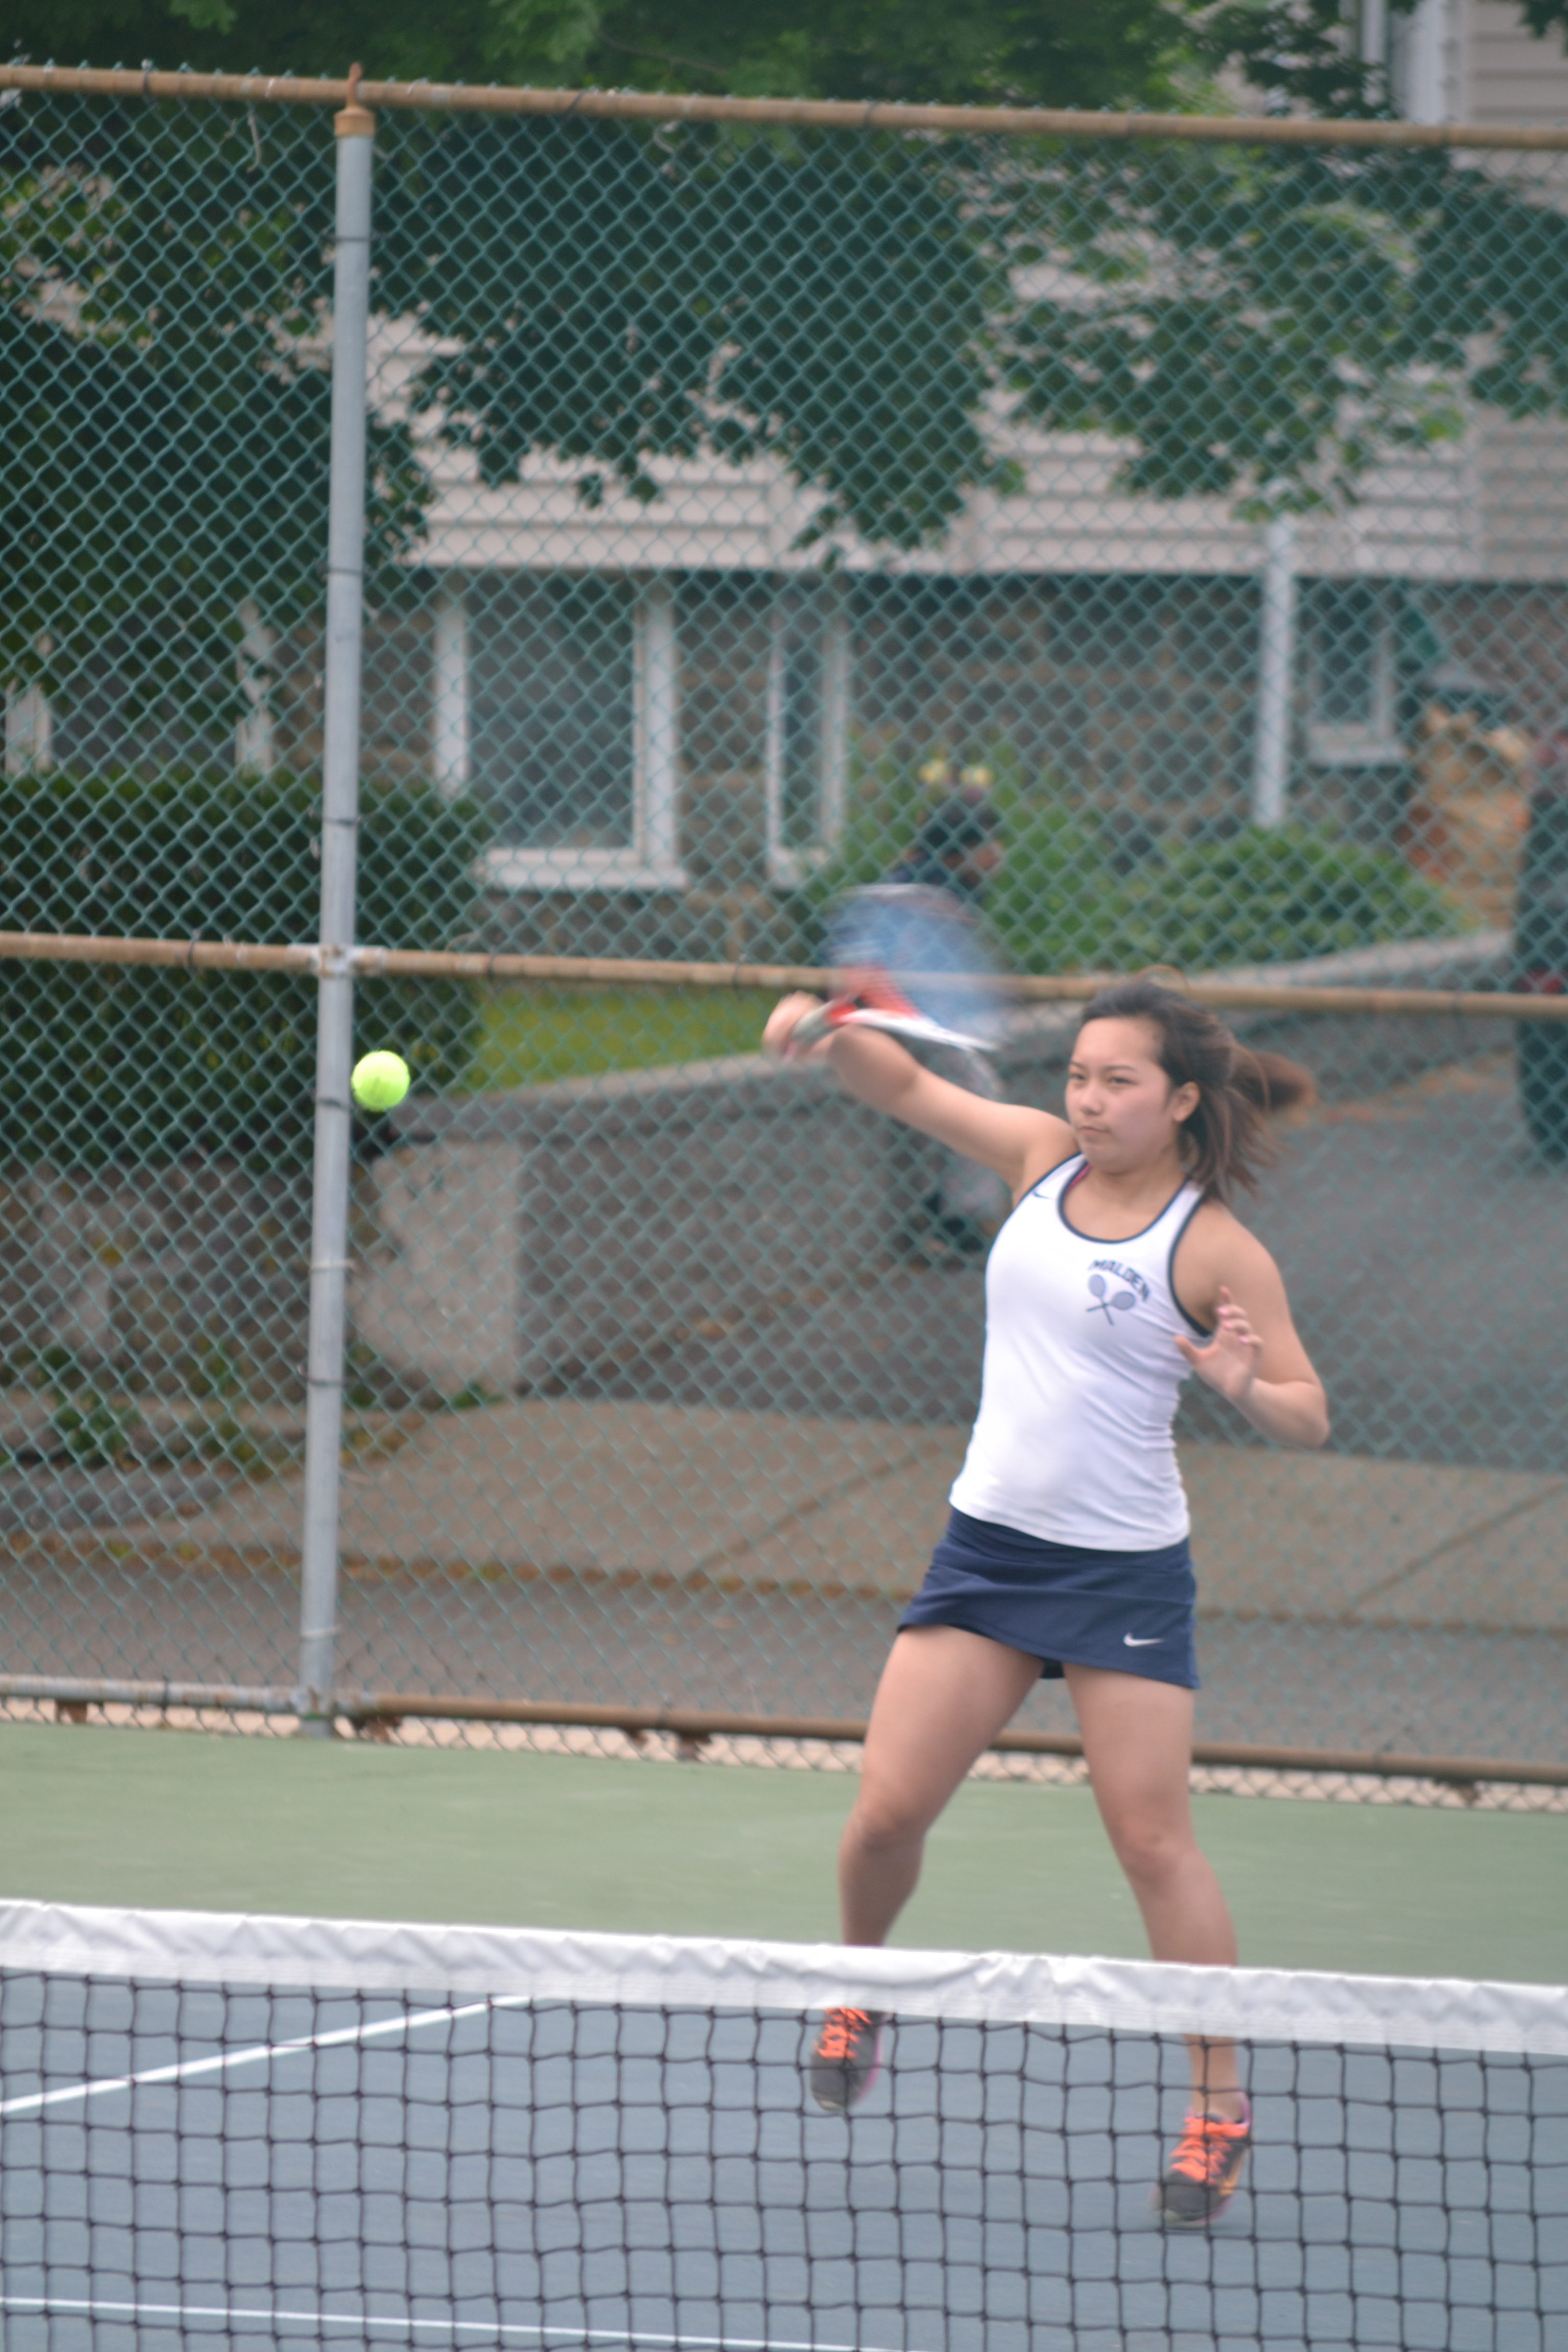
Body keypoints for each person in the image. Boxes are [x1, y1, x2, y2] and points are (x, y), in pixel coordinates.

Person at [763, 974, 1327, 2229]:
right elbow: (899, 1085)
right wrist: (832, 1033)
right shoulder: (1030, 1155)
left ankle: (1216, 2106)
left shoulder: (1211, 1242)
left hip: (1121, 1574)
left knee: (1149, 1843)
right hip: (985, 1558)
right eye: (1076, 1074)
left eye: (1114, 1080)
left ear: (1179, 1099)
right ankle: (861, 1986)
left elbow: (1306, 1408)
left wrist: (1239, 1383)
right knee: (881, 1815)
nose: (1084, 1099)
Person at [875, 783, 1010, 1256]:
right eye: (988, 845)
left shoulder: (952, 884)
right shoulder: (927, 886)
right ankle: (956, 1219)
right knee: (980, 1096)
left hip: (922, 1016)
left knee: (967, 1093)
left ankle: (947, 1209)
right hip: (898, 1016)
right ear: (960, 851)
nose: (999, 856)